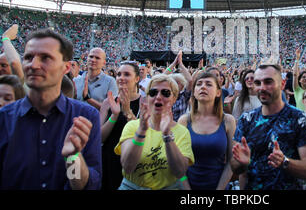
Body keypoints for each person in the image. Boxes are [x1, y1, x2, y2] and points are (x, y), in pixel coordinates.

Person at [0, 28, 102, 190]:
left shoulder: (85, 116)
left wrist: (73, 158)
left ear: (66, 67)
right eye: (28, 57)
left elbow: (84, 186)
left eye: (45, 58)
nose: (33, 65)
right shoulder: (4, 117)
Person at [231, 64, 306, 190]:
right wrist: (242, 163)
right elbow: (235, 167)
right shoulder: (246, 119)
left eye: (268, 82)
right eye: (258, 83)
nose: (262, 87)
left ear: (282, 84)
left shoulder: (300, 119)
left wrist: (285, 162)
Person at [114, 74, 194, 190]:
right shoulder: (132, 126)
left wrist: (167, 136)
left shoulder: (182, 132)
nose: (158, 97)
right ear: (147, 98)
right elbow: (128, 167)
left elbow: (180, 172)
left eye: (165, 93)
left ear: (174, 98)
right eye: (153, 93)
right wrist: (141, 132)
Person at [178, 72, 236, 190]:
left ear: (218, 93)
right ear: (194, 91)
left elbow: (231, 162)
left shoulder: (228, 121)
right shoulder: (184, 121)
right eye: (199, 84)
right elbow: (178, 164)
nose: (203, 87)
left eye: (209, 84)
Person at [100, 61, 141, 190]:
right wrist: (114, 116)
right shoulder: (108, 102)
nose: (121, 78)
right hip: (109, 159)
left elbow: (144, 136)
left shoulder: (145, 102)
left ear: (137, 79)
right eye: (119, 74)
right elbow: (99, 137)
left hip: (133, 161)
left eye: (127, 74)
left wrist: (128, 111)